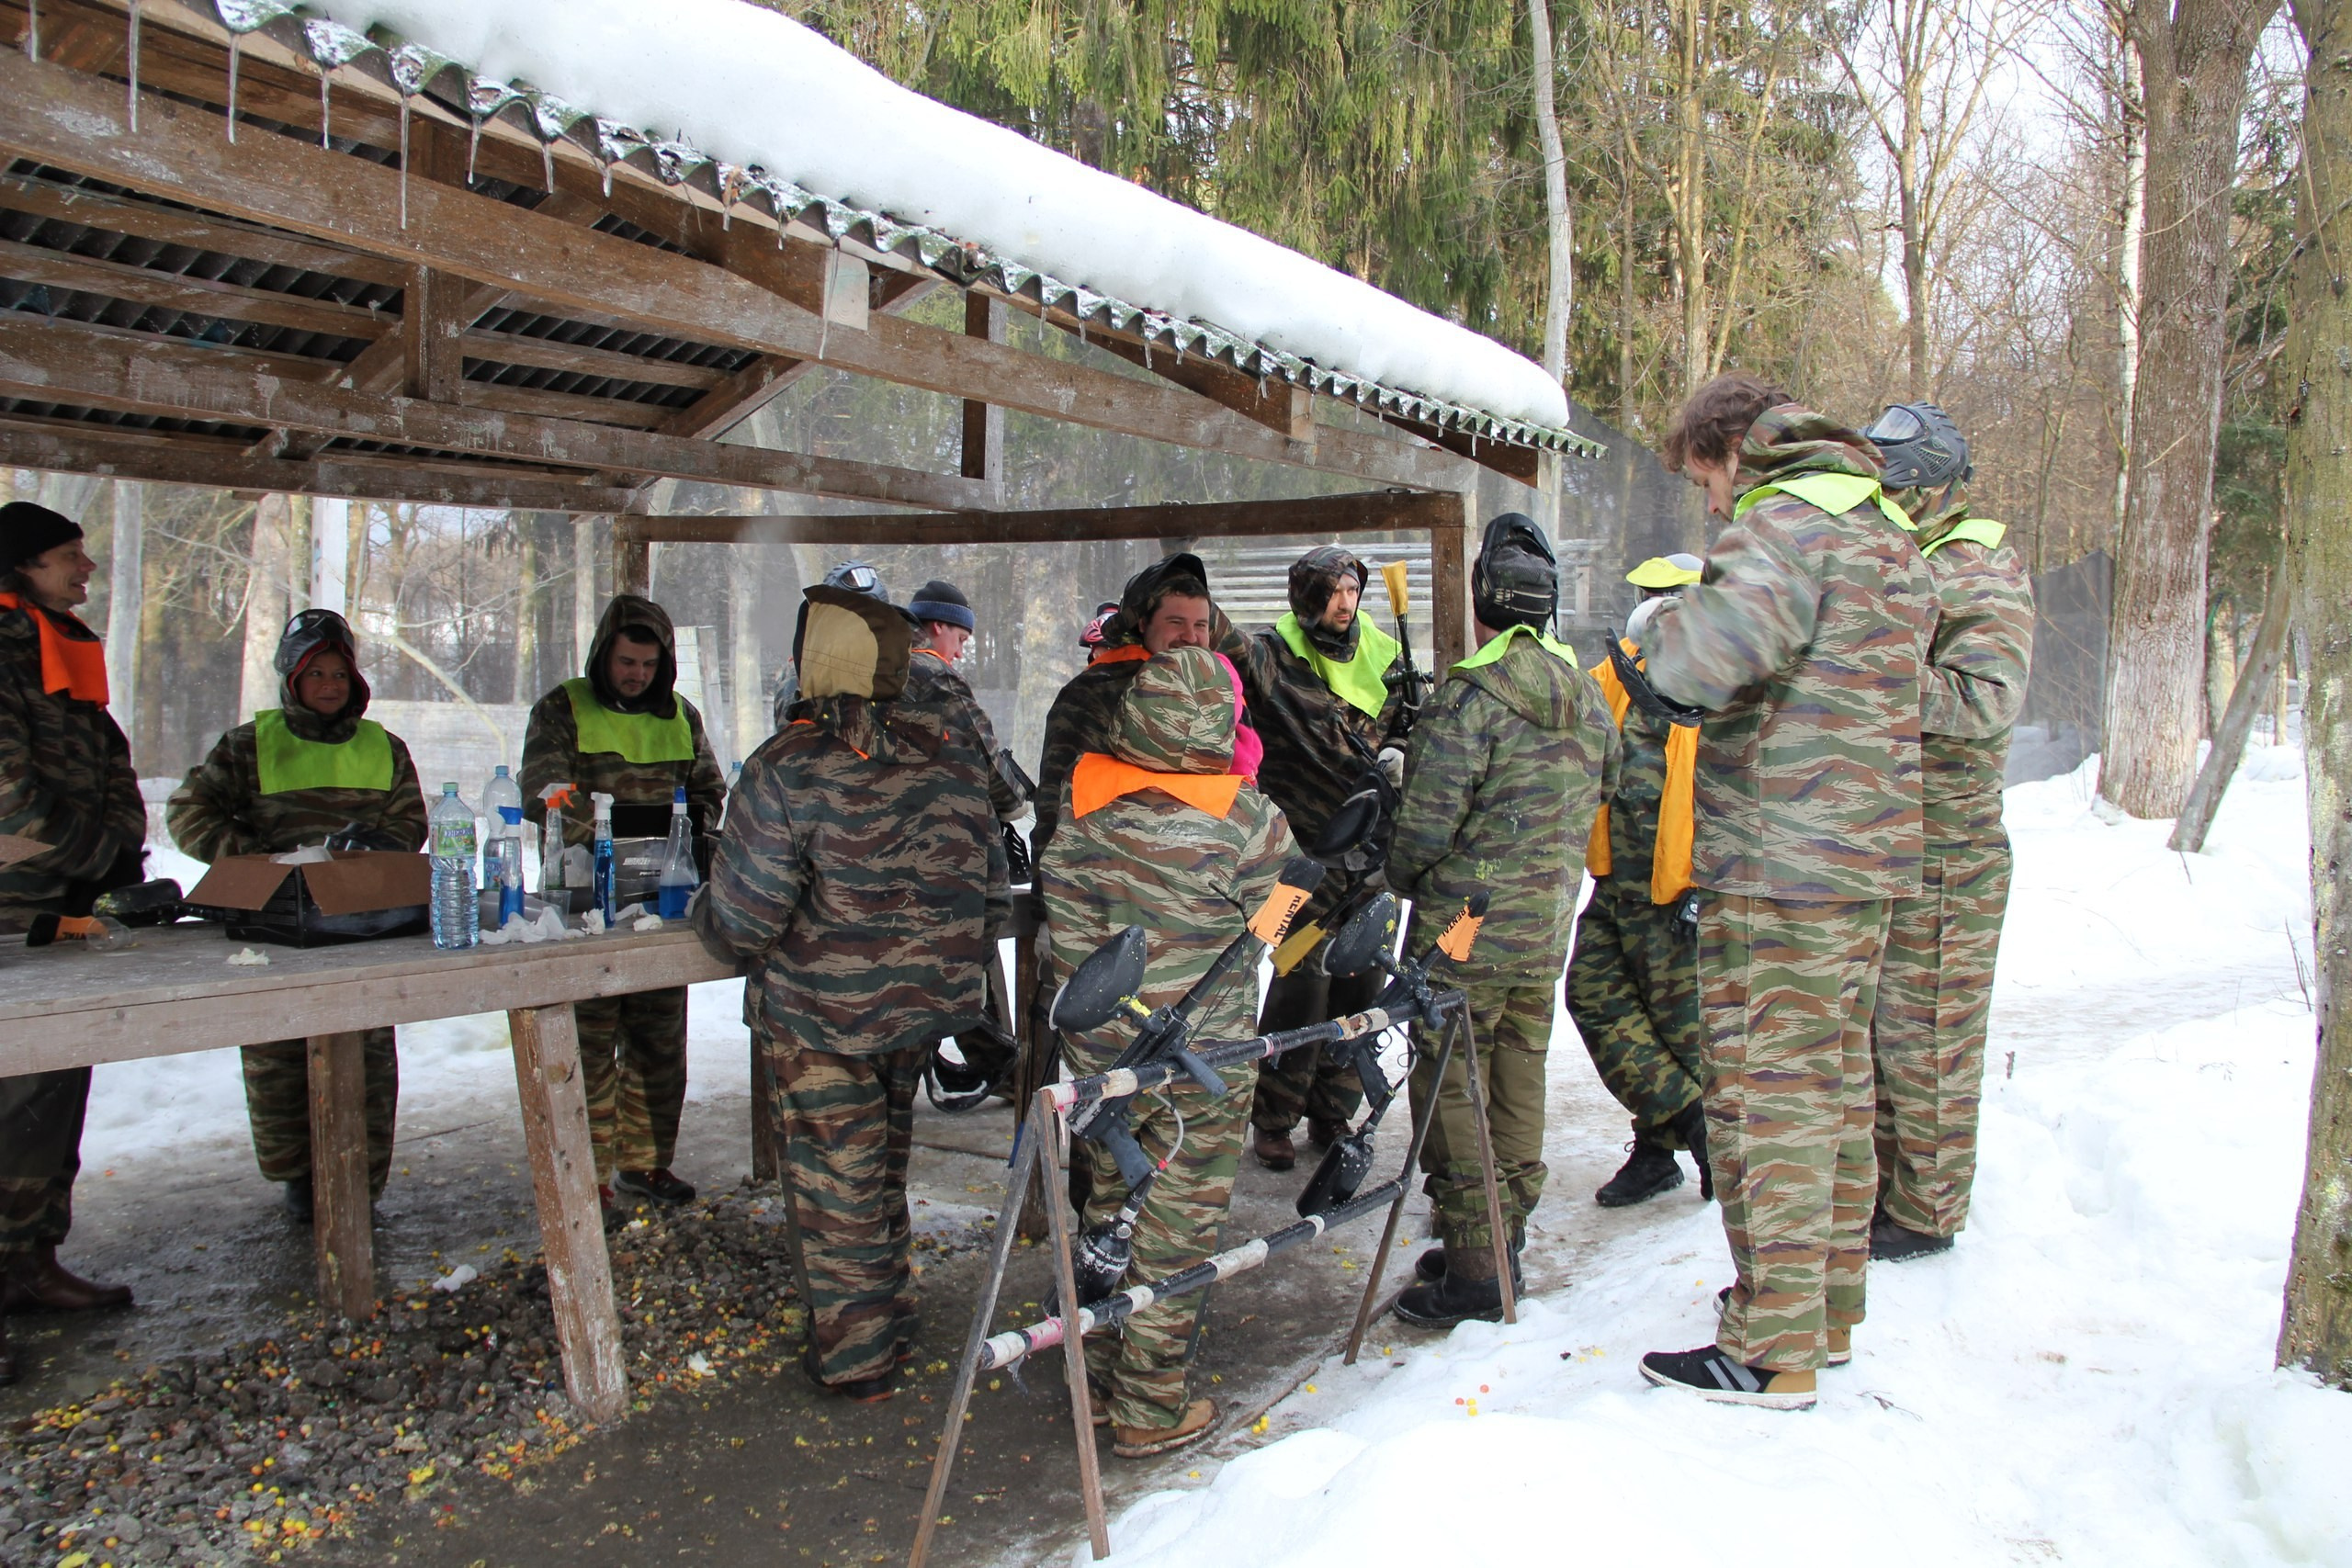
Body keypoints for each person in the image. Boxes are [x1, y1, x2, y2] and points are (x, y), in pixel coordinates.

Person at [1632, 374, 1933, 1410]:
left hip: (1783, 861)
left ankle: (1770, 1349)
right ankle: (1823, 1316)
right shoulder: (1882, 523)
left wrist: (1660, 628)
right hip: (1867, 857)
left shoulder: (1783, 522)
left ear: (1730, 450)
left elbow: (1705, 660)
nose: (1709, 507)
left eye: (1704, 481)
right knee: (1836, 1091)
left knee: (1770, 1102)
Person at [695, 584, 1006, 1402]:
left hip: (820, 1018)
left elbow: (738, 922)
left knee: (838, 1191)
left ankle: (858, 1357)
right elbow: (992, 889)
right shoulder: (952, 753)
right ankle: (893, 1313)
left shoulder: (787, 764)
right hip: (917, 1012)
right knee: (882, 1169)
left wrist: (701, 897)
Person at [1039, 644, 1296, 1457]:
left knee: (1111, 1208)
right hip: (1204, 1066)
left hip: (1101, 1060)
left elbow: (1065, 928)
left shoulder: (1083, 803)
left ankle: (1109, 1359)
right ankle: (1149, 1407)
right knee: (1180, 1229)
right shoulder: (1247, 818)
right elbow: (1282, 928)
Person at [1385, 514, 1620, 1326]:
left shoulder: (1471, 699)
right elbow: (1608, 785)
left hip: (1466, 928)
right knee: (1518, 1071)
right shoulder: (1586, 693)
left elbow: (1422, 831)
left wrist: (1406, 873)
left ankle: (1480, 1267)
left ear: (1483, 603)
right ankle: (1499, 1236)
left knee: (1452, 1074)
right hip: (1545, 923)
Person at [167, 610, 427, 1219]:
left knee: (365, 1054)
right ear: (291, 677)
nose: (331, 685)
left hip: (359, 922)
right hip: (274, 925)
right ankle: (298, 1182)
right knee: (279, 1052)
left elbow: (409, 821)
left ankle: (360, 1185)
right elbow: (187, 810)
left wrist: (372, 853)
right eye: (317, 673)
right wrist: (252, 861)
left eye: (340, 672)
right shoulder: (246, 745)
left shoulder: (383, 746)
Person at [1860, 404, 2034, 1263]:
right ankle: (1898, 1191)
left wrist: (1882, 679)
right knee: (1891, 1034)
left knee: (1930, 1035)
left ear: (1924, 489)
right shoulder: (1919, 560)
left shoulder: (1977, 571)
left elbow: (1987, 699)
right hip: (1903, 844)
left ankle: (1928, 1213)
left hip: (1951, 853)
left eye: (1890, 485)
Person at [521, 594, 726, 1220]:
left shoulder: (681, 715)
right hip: (587, 903)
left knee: (660, 1041)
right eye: (625, 660)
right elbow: (543, 792)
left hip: (664, 902)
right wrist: (610, 828)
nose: (635, 673)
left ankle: (644, 1163)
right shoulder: (562, 709)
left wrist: (689, 832)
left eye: (647, 663)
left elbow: (711, 790)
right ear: (603, 653)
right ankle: (590, 1177)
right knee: (587, 1047)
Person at [0, 500, 143, 1383]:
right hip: (11, 911)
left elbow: (114, 763)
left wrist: (121, 844)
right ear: (19, 567)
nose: (84, 571)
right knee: (11, 1095)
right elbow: (10, 800)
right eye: (67, 559)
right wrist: (101, 852)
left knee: (52, 1091)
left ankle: (29, 1262)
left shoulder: (60, 648)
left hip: (64, 904)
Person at [1219, 546, 1410, 1172]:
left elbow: (1413, 725)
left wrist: (1404, 749)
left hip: (1371, 860)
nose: (1344, 602)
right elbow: (1226, 646)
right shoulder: (1275, 660)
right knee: (1298, 982)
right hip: (1295, 864)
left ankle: (1335, 1107)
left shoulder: (1387, 658)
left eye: (1352, 589)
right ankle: (1273, 1115)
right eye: (1330, 591)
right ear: (1304, 596)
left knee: (1361, 983)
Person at [1568, 554, 1711, 1208]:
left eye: (1668, 596)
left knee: (1681, 1026)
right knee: (1593, 996)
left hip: (1676, 891)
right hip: (1616, 880)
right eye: (1648, 596)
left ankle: (1668, 1149)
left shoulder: (1723, 677)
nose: (1655, 609)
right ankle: (1688, 1121)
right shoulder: (1623, 672)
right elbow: (1573, 695)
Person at [1030, 553, 1216, 863]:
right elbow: (1057, 804)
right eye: (1176, 622)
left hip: (1196, 885)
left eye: (1201, 625)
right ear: (1142, 623)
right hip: (1115, 883)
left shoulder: (1215, 693)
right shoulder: (1092, 694)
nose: (1191, 637)